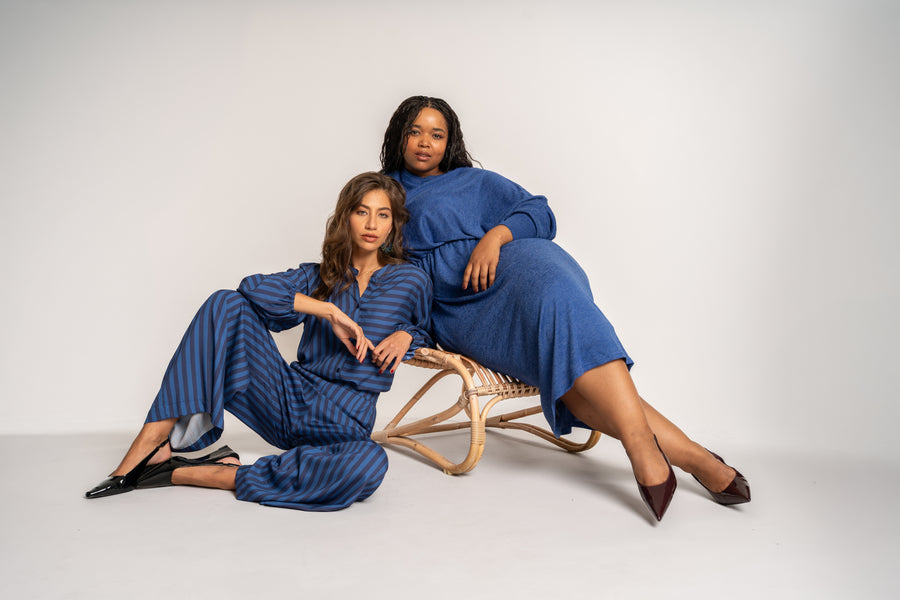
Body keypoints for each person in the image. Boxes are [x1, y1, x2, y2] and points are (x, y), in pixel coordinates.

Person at [380, 96, 750, 521]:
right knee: (576, 382)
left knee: (560, 305)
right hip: (464, 311)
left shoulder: (474, 181)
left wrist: (495, 237)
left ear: (450, 142)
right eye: (415, 131)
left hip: (525, 270)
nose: (425, 142)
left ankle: (651, 452)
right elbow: (377, 267)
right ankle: (691, 457)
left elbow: (539, 211)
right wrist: (408, 326)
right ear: (399, 135)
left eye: (437, 134)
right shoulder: (384, 191)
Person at [85, 172, 433, 511]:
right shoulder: (321, 275)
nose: (372, 224)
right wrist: (327, 310)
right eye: (362, 212)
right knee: (224, 302)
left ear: (392, 225)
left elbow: (429, 330)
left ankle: (203, 473)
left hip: (345, 425)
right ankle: (152, 444)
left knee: (369, 465)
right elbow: (251, 289)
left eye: (382, 215)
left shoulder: (410, 280)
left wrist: (407, 335)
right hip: (288, 399)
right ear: (347, 218)